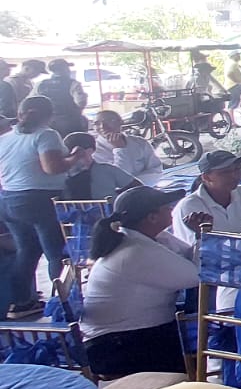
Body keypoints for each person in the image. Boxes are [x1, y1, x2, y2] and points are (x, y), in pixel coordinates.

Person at [81, 185, 197, 379]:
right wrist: (202, 238)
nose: (171, 210)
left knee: (199, 332)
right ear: (151, 217)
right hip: (116, 345)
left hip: (129, 335)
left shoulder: (145, 238)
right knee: (202, 343)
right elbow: (196, 276)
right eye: (166, 208)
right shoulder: (136, 250)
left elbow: (188, 254)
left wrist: (199, 236)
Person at [0, 97, 87, 316]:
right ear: (50, 114)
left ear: (19, 114)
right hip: (40, 200)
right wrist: (75, 157)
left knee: (26, 251)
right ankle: (63, 304)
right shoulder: (46, 135)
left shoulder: (5, 138)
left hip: (9, 199)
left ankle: (20, 303)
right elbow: (52, 168)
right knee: (56, 252)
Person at [171, 150, 241, 249]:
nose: (234, 175)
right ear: (206, 177)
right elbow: (192, 249)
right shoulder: (189, 206)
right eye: (225, 172)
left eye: (237, 169)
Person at [92, 110, 164, 184]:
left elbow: (156, 170)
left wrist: (136, 184)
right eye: (97, 123)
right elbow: (118, 178)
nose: (103, 126)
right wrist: (119, 149)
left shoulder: (140, 142)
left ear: (121, 122)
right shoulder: (94, 150)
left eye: (109, 121)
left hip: (146, 187)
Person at [62, 132, 137, 200]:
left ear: (90, 151)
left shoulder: (107, 170)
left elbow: (136, 187)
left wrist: (119, 198)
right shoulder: (62, 175)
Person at [31, 58, 88, 136]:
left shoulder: (40, 84)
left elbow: (30, 102)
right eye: (67, 68)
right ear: (65, 70)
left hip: (47, 123)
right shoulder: (73, 84)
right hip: (70, 123)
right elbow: (81, 102)